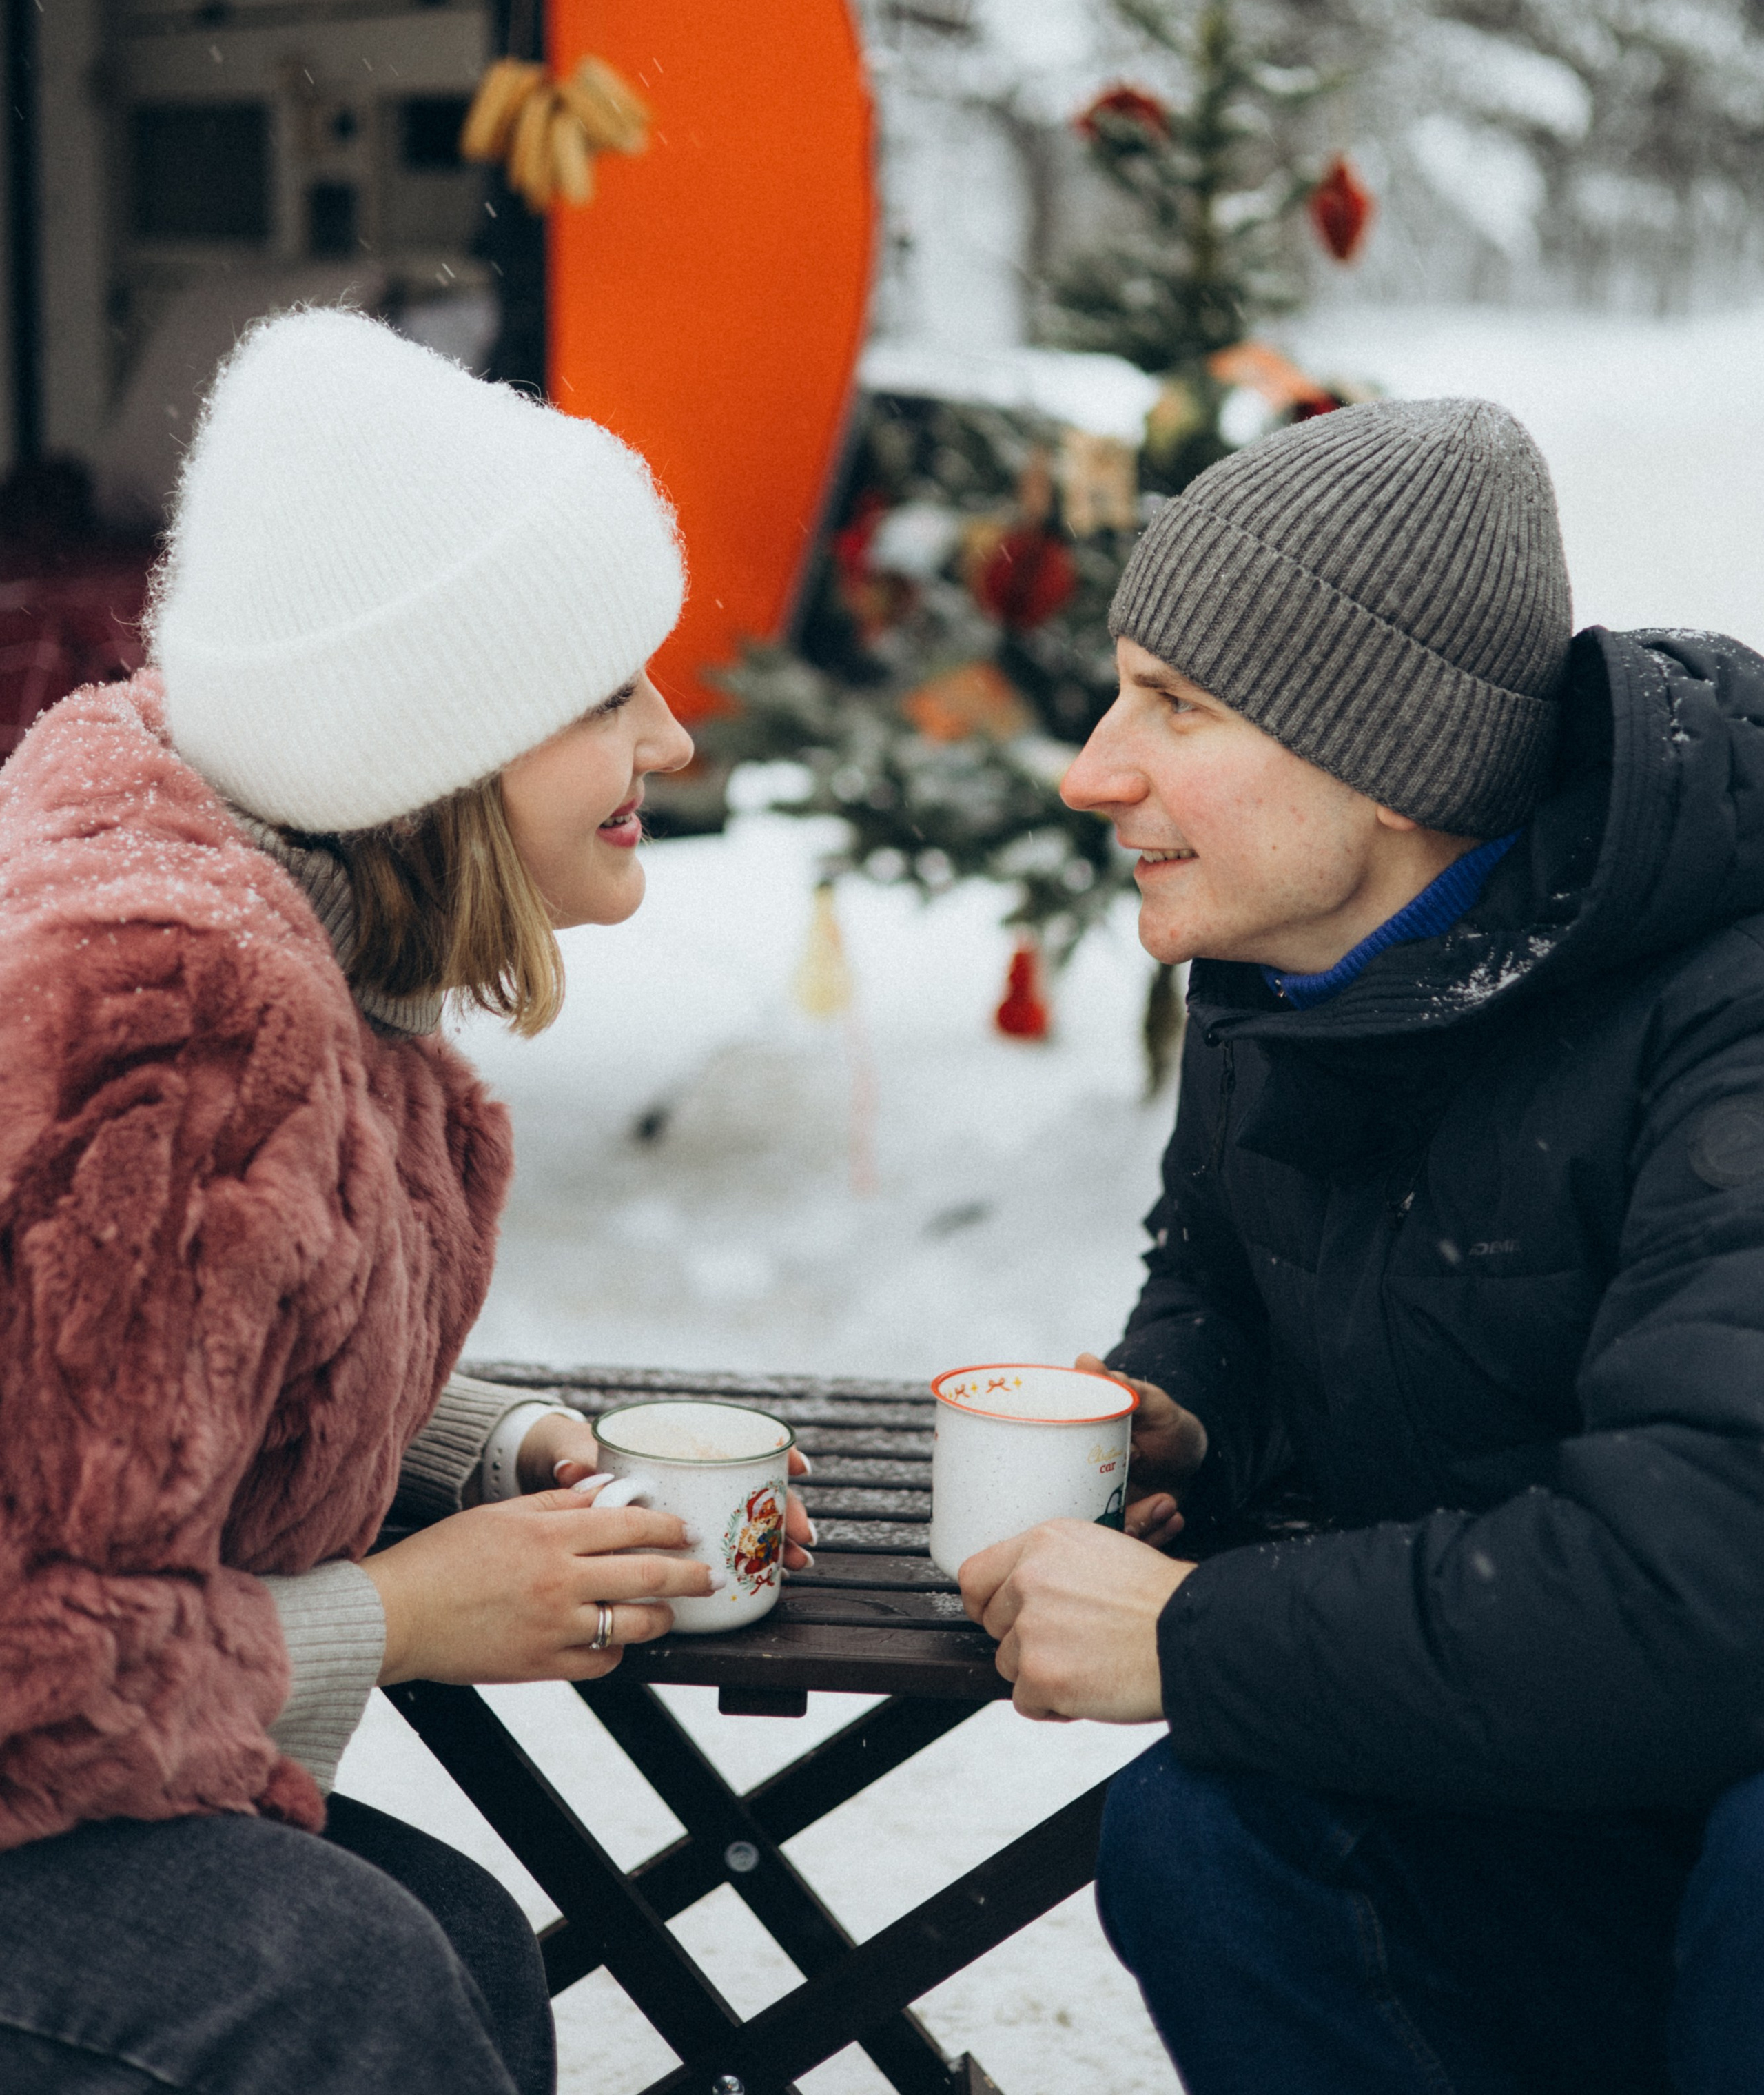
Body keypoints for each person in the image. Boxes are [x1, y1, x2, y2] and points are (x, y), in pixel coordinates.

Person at [0, 309, 809, 2095]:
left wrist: (484, 1448)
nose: (673, 741)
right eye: (606, 694)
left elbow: (176, 1366)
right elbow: (31, 1655)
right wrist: (403, 1617)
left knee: (455, 1945)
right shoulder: (179, 1028)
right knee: (347, 1991)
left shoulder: (296, 931)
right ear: (433, 745)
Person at [958, 396, 1764, 2095]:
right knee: (1214, 1835)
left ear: (1389, 759)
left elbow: (1707, 1588)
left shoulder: (1729, 1019)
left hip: (1716, 1769)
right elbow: (1220, 1268)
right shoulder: (1285, 962)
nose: (1091, 769)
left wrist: (1190, 1635)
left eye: (1175, 705)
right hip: (1585, 1769)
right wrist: (1183, 1411)